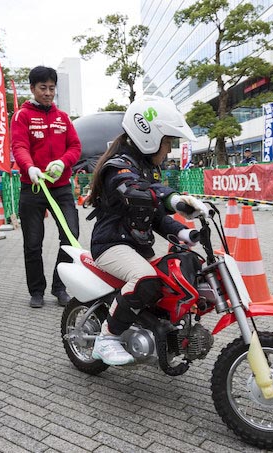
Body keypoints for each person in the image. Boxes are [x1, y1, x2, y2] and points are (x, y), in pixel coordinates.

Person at [87, 95, 210, 366]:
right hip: (111, 246)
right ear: (148, 136)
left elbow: (156, 216)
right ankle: (106, 339)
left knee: (176, 277)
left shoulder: (148, 170)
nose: (168, 150)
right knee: (145, 279)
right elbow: (136, 191)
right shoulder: (117, 167)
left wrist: (184, 233)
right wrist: (173, 199)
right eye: (167, 142)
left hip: (137, 247)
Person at [12, 66, 82, 308]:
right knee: (33, 242)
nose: (48, 93)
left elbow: (75, 147)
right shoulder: (22, 116)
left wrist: (63, 162)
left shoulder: (62, 118)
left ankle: (59, 287)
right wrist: (30, 167)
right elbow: (19, 146)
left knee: (71, 236)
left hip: (61, 188)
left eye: (52, 88)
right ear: (32, 88)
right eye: (43, 88)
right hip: (31, 188)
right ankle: (36, 290)